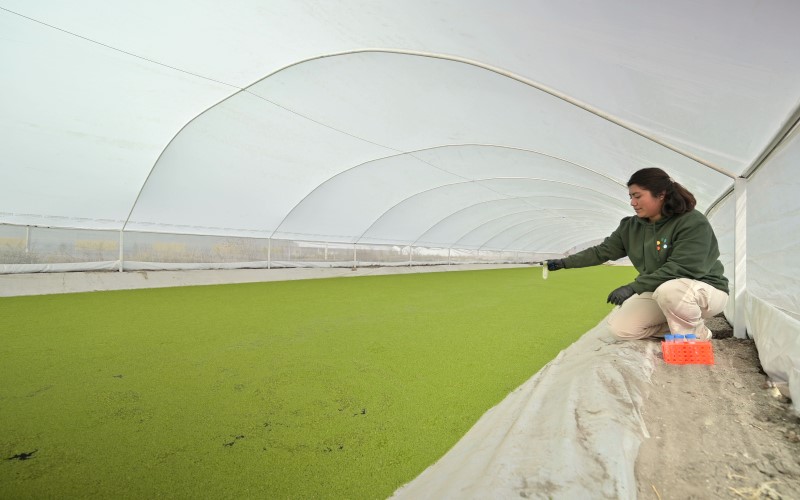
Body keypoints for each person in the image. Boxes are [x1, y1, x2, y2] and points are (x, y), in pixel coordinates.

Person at [545, 167, 729, 341]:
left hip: (703, 290)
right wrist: (563, 263)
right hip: (659, 291)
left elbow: (682, 268)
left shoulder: (691, 221)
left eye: (638, 196)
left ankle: (696, 335)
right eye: (631, 197)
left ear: (661, 195)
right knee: (621, 329)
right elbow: (601, 251)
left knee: (671, 290)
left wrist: (633, 288)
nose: (633, 203)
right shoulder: (630, 226)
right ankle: (678, 326)